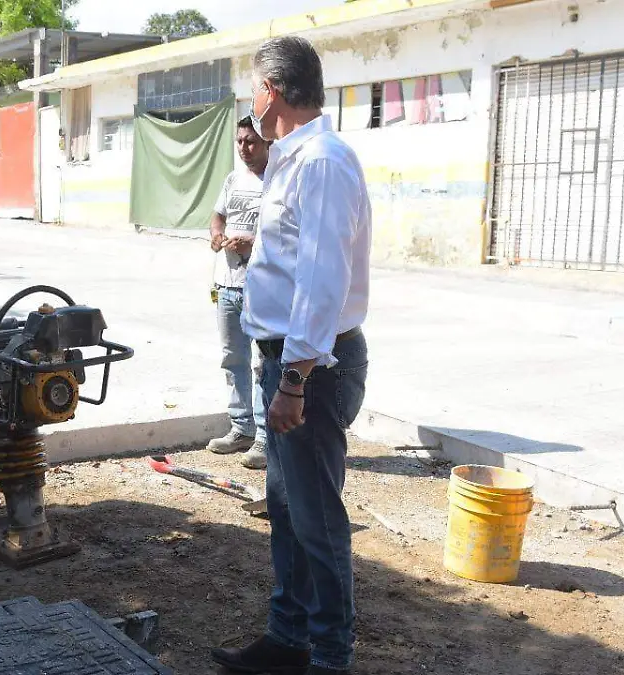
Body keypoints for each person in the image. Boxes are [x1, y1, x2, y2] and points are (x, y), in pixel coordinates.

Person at [211, 36, 370, 675]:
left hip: (314, 369)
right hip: (285, 363)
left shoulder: (321, 162)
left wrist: (296, 377)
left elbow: (322, 278)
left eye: (254, 88)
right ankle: (288, 639)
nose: (252, 99)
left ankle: (331, 656)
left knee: (317, 519)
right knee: (286, 511)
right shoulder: (290, 159)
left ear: (271, 91)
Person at [206, 116, 271, 470]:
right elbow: (216, 217)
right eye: (241, 142)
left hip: (259, 288)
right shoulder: (233, 179)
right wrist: (217, 235)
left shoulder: (276, 182)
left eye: (252, 142)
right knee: (233, 359)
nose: (245, 149)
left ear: (266, 143)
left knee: (263, 363)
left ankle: (263, 437)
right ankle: (241, 426)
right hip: (226, 285)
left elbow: (285, 235)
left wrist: (252, 242)